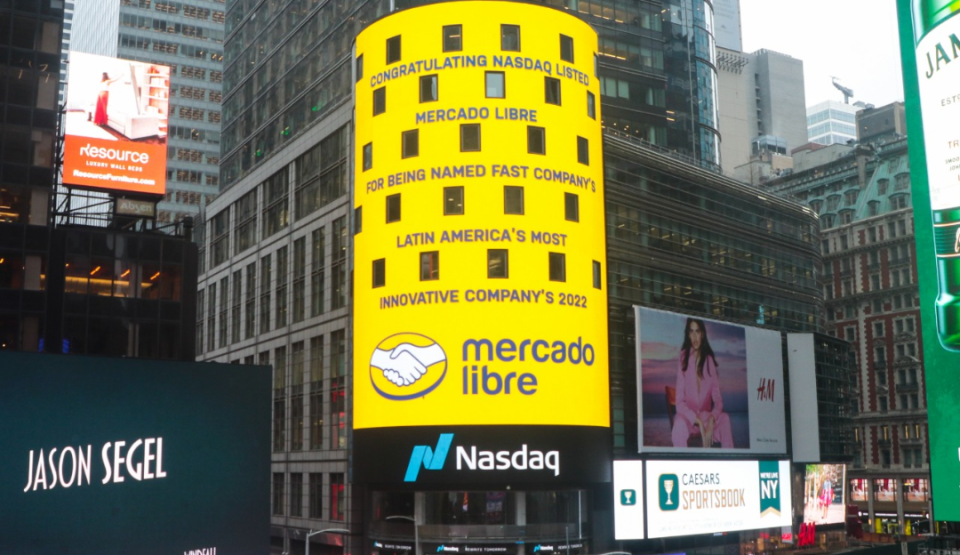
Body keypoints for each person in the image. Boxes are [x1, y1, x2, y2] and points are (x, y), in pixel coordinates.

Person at [671, 318, 734, 448]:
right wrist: (697, 421)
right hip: (689, 419)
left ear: (702, 334)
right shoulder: (683, 358)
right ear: (688, 335)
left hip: (707, 419)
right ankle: (680, 465)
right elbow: (679, 403)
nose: (695, 336)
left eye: (697, 332)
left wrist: (711, 419)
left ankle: (730, 464)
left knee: (725, 419)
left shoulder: (709, 361)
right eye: (692, 332)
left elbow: (718, 401)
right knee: (678, 425)